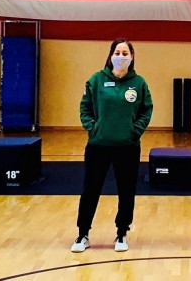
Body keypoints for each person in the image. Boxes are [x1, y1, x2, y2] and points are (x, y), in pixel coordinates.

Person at [71, 38, 153, 253]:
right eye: (118, 52)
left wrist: (135, 130)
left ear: (132, 57)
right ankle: (82, 234)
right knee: (90, 190)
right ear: (110, 55)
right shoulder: (96, 80)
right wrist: (92, 127)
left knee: (126, 190)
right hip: (98, 145)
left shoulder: (139, 83)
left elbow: (147, 110)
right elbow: (85, 107)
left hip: (127, 146)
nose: (121, 57)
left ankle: (122, 232)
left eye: (125, 53)